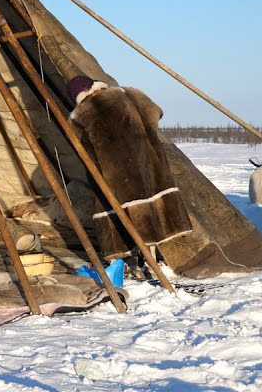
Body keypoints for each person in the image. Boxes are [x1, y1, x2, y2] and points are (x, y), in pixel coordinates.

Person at [66, 75, 192, 271]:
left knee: (130, 209)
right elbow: (156, 112)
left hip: (116, 172)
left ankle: (142, 257)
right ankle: (153, 255)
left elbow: (78, 145)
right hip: (148, 160)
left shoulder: (80, 115)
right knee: (151, 200)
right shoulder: (129, 93)